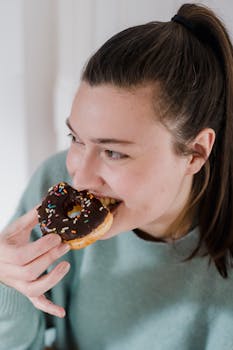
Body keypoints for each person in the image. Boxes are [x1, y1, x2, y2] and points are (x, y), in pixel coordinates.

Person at [0, 3, 233, 349]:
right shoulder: (55, 182)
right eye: (76, 139)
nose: (80, 178)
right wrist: (7, 288)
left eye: (114, 153)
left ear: (196, 152)